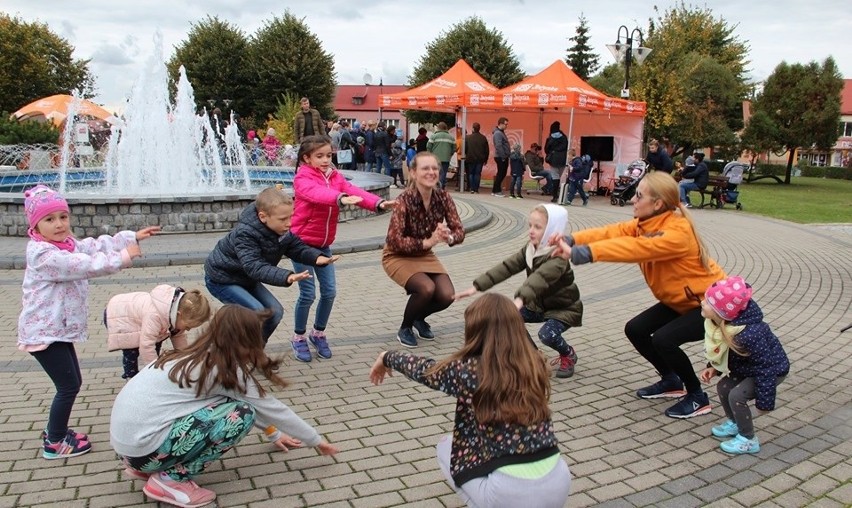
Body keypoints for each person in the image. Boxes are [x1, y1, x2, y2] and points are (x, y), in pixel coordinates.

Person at [111, 305, 339, 508]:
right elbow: (269, 407)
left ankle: (152, 467)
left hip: (131, 451)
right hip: (145, 448)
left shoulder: (195, 354)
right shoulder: (223, 370)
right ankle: (170, 480)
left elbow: (240, 398)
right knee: (241, 416)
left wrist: (272, 433)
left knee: (231, 407)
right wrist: (316, 440)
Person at [549, 171, 726, 418]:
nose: (633, 199)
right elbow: (614, 232)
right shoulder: (646, 223)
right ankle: (671, 380)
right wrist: (571, 238)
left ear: (657, 204)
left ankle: (697, 396)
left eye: (639, 195)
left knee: (664, 340)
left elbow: (638, 248)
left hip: (711, 305)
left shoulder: (677, 233)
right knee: (636, 329)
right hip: (681, 301)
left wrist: (582, 253)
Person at [369, 293, 572, 508]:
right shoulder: (536, 363)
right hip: (559, 481)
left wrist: (386, 356)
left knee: (445, 448)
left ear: (475, 330)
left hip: (509, 493)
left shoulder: (470, 371)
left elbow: (425, 370)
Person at [17, 184, 158, 459]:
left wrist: (130, 237)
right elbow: (84, 265)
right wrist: (124, 256)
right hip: (43, 333)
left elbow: (92, 246)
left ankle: (55, 431)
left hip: (56, 330)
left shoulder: (64, 244)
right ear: (36, 225)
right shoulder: (45, 255)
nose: (59, 224)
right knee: (68, 386)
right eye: (49, 219)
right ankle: (55, 442)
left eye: (62, 217)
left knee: (73, 382)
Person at [290, 135, 396, 361]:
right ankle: (298, 338)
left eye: (328, 155)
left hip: (324, 245)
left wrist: (378, 203)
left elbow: (353, 190)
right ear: (306, 158)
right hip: (300, 245)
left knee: (329, 292)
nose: (326, 160)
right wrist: (340, 198)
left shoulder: (335, 177)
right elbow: (317, 194)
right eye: (319, 156)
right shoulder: (302, 178)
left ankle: (318, 333)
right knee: (308, 294)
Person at [455, 204, 582, 378]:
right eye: (530, 225)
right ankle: (535, 358)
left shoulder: (559, 256)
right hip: (537, 305)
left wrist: (519, 300)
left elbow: (539, 280)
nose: (531, 231)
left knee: (546, 335)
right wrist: (476, 286)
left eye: (537, 227)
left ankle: (568, 354)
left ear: (552, 229)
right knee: (510, 319)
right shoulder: (531, 249)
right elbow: (508, 266)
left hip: (563, 309)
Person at [204, 187, 339, 344]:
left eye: (291, 217)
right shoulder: (245, 233)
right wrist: (287, 276)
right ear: (263, 217)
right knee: (257, 311)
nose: (289, 224)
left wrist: (317, 258)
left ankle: (254, 352)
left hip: (246, 279)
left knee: (275, 312)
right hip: (222, 279)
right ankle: (230, 349)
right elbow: (254, 266)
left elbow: (296, 247)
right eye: (283, 219)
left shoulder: (280, 229)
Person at [383, 151, 465, 348]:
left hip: (424, 255)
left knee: (447, 295)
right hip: (397, 255)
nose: (431, 172)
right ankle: (405, 327)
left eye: (435, 168)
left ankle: (419, 318)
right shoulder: (404, 200)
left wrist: (449, 237)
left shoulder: (443, 197)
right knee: (426, 288)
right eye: (425, 168)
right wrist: (427, 243)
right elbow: (394, 240)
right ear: (413, 173)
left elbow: (459, 229)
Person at [699, 276, 789, 455]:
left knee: (736, 396)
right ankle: (735, 422)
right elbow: (724, 351)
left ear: (722, 312)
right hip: (748, 367)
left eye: (708, 302)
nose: (702, 302)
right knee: (723, 387)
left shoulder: (748, 334)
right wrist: (714, 367)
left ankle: (748, 439)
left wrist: (765, 402)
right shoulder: (721, 324)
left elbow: (765, 367)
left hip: (771, 371)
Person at [105, 286, 211, 379]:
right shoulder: (154, 315)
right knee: (132, 350)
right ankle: (131, 376)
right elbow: (146, 345)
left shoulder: (176, 315)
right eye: (188, 326)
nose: (188, 330)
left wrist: (184, 360)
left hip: (138, 316)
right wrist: (154, 372)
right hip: (119, 314)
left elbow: (179, 338)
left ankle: (151, 370)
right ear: (179, 314)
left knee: (155, 343)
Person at [544, 121, 569, 203]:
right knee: (559, 176)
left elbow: (546, 149)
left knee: (555, 177)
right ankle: (558, 193)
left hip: (553, 160)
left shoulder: (550, 138)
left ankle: (555, 196)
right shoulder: (564, 137)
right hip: (563, 161)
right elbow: (566, 148)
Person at [426, 122, 455, 189]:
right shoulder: (451, 137)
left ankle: (436, 186)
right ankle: (441, 186)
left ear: (438, 128)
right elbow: (454, 148)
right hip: (446, 159)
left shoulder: (433, 136)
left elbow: (428, 146)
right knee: (443, 173)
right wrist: (450, 154)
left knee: (435, 172)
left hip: (435, 159)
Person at [464, 122, 489, 194]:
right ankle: (476, 189)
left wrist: (466, 155)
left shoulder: (468, 138)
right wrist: (485, 159)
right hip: (480, 159)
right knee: (478, 174)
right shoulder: (483, 138)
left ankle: (471, 188)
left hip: (470, 158)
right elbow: (486, 150)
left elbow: (465, 149)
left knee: (471, 173)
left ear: (473, 128)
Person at [491, 117, 510, 197]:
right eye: (505, 124)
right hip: (501, 156)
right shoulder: (498, 133)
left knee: (502, 173)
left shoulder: (500, 132)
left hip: (502, 156)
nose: (506, 126)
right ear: (500, 124)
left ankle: (495, 190)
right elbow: (498, 146)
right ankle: (496, 191)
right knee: (501, 174)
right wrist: (503, 156)